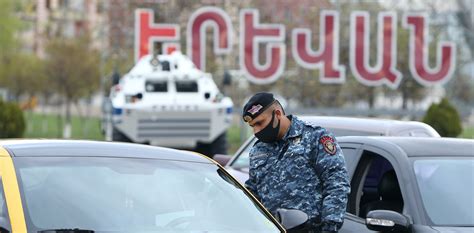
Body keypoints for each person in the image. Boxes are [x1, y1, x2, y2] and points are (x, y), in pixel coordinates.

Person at [243, 92, 350, 233]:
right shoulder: (258, 149)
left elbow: (336, 183)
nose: (256, 130)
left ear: (277, 113)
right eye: (252, 126)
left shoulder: (315, 137)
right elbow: (253, 193)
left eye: (259, 123)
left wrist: (329, 226)